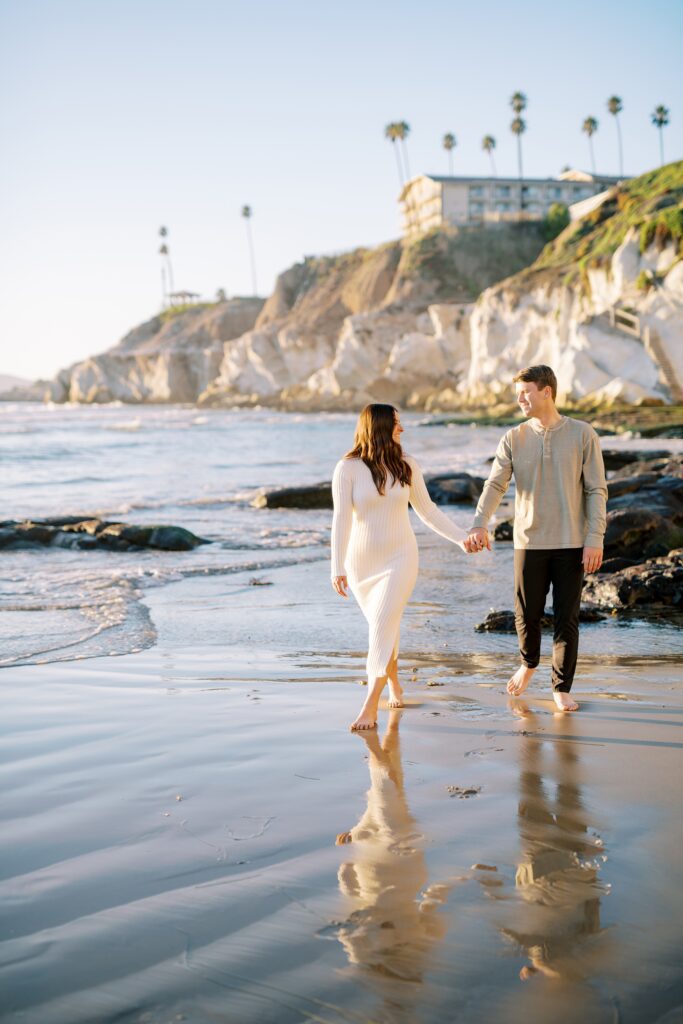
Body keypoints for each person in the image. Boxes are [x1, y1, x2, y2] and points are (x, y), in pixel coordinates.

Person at [467, 365, 607, 713]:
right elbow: (495, 484)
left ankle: (561, 687)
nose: (519, 399)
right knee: (526, 614)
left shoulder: (582, 434)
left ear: (546, 391)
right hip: (528, 541)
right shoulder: (514, 437)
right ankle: (528, 664)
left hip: (572, 541)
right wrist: (479, 524)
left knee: (566, 617)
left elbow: (596, 490)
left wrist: (595, 537)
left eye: (525, 391)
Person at [331, 404, 473, 731]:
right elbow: (340, 519)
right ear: (379, 427)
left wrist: (461, 538)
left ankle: (370, 706)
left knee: (381, 624)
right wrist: (337, 566)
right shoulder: (347, 469)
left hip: (400, 558)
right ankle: (394, 683)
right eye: (397, 423)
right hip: (362, 563)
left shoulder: (407, 465)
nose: (402, 429)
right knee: (385, 625)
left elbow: (428, 511)